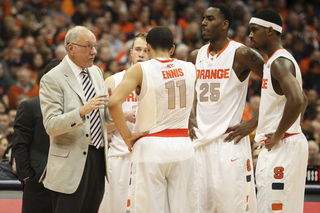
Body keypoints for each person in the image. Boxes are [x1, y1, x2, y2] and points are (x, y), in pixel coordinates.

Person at [108, 26, 199, 213]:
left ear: (147, 47)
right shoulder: (191, 68)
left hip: (151, 145)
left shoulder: (140, 69)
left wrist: (127, 136)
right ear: (172, 49)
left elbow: (113, 103)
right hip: (183, 145)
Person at [187, 3, 265, 213]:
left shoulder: (240, 53)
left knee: (232, 208)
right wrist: (190, 116)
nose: (203, 22)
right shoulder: (195, 56)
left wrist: (253, 123)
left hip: (228, 142)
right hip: (199, 143)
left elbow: (278, 85)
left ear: (224, 24)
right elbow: (188, 92)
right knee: (197, 208)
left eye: (210, 19)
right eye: (203, 18)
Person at [39, 26, 109, 213]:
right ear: (71, 48)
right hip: (70, 163)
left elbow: (102, 111)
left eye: (94, 46)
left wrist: (121, 112)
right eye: (88, 47)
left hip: (98, 156)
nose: (94, 52)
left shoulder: (96, 72)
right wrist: (82, 111)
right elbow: (51, 125)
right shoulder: (51, 79)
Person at [245, 9, 308, 213]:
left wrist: (279, 134)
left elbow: (298, 100)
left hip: (283, 146)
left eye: (254, 30)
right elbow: (303, 99)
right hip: (288, 143)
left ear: (271, 30)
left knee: (273, 209)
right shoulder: (277, 60)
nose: (250, 35)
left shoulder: (279, 63)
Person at [100, 32, 149, 213]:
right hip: (120, 156)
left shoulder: (159, 82)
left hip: (149, 156)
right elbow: (100, 126)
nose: (142, 54)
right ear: (130, 53)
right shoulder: (113, 81)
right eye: (138, 49)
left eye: (146, 50)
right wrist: (123, 117)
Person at [12, 60, 61, 213]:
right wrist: (26, 176)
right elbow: (20, 145)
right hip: (38, 180)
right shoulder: (29, 106)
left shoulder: (77, 107)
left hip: (69, 180)